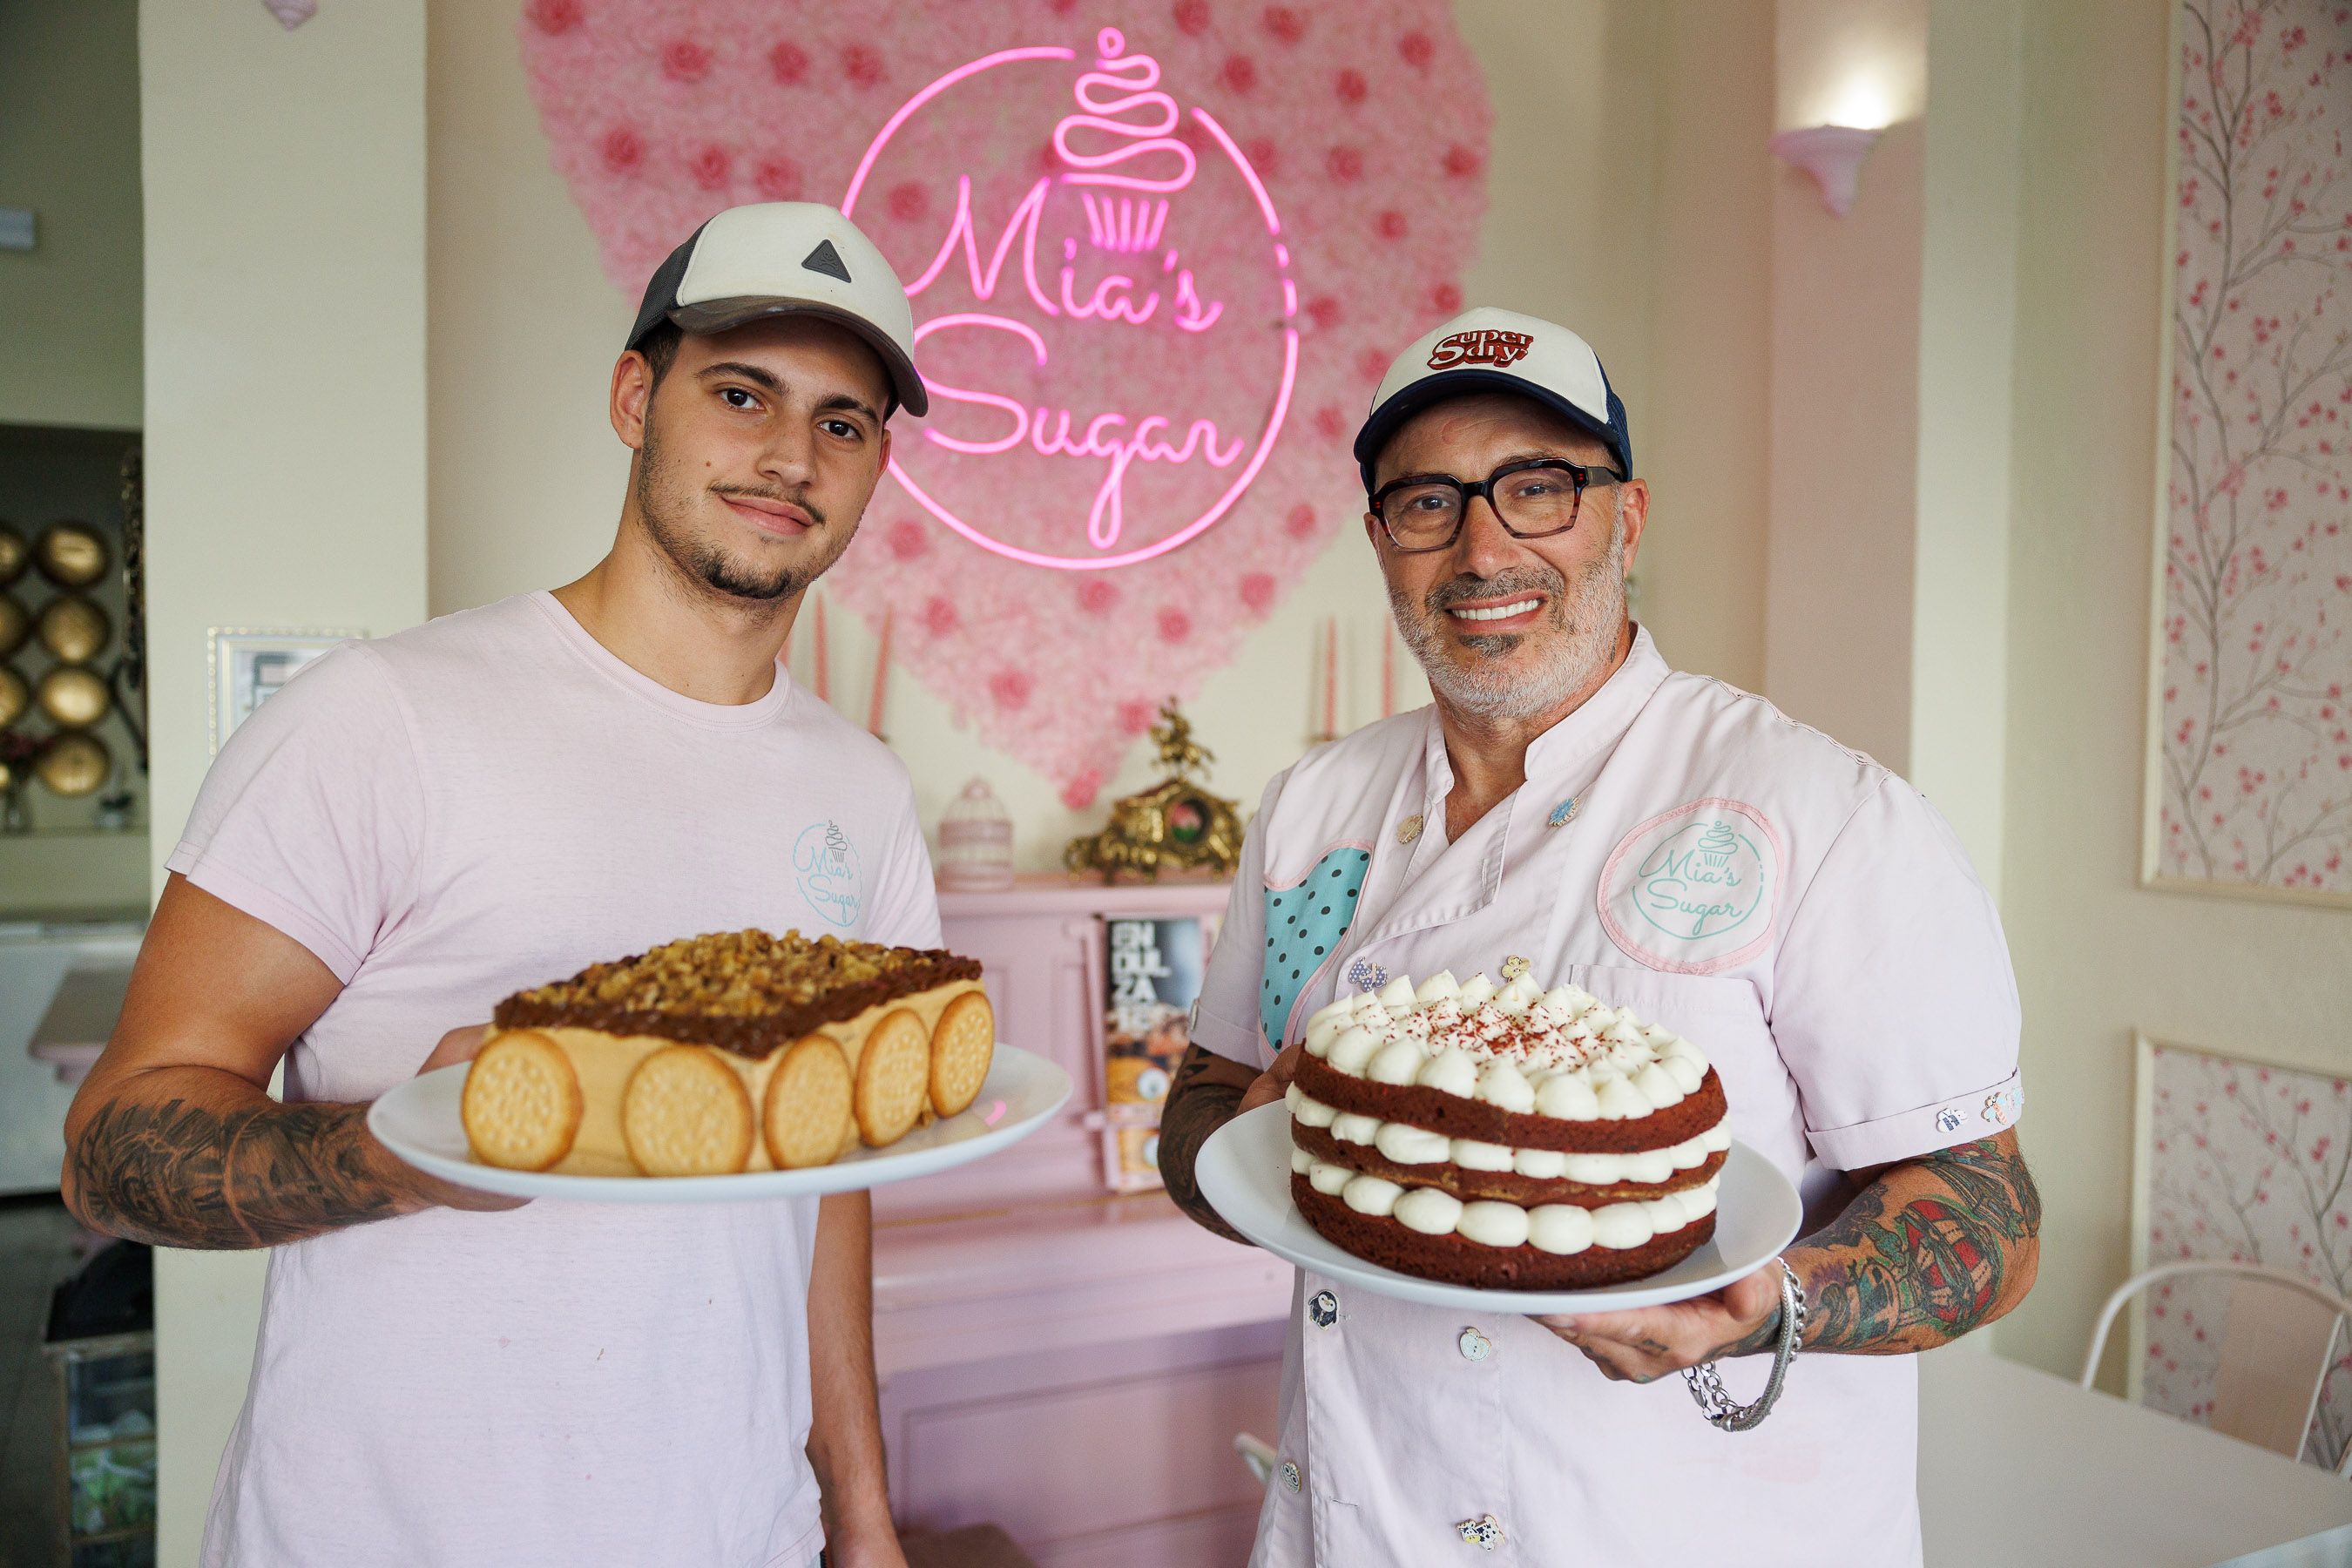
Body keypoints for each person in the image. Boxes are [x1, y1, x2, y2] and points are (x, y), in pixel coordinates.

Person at [62, 202, 936, 1568]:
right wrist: (388, 1153)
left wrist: (864, 1516)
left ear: (879, 463)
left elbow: (825, 1187)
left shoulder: (865, 792)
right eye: (741, 391)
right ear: (633, 395)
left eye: (844, 420)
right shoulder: (382, 719)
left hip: (733, 1532)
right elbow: (111, 1150)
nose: (788, 455)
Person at [1159, 307, 2040, 1566]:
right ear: (1380, 542)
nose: (1482, 547)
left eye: (1539, 489)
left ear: (1626, 518)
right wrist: (1263, 1141)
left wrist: (1768, 1307)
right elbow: (1203, 1101)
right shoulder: (1314, 806)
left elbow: (1991, 1216)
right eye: (1428, 504)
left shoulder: (1820, 812)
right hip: (1352, 1522)